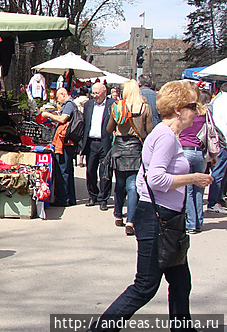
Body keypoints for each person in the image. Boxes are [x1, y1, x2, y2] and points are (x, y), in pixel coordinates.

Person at [89, 80, 214, 332]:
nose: (196, 110)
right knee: (145, 286)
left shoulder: (167, 134)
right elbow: (156, 179)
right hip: (157, 220)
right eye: (192, 105)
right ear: (179, 108)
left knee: (180, 283)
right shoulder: (165, 136)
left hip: (168, 220)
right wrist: (194, 179)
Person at [107, 80, 154, 236]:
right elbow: (149, 131)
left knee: (119, 183)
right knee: (133, 185)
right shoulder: (144, 108)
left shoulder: (118, 107)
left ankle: (118, 214)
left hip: (120, 146)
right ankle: (131, 221)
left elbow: (109, 128)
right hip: (135, 147)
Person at [178, 86, 214, 233]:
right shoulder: (204, 113)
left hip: (185, 151)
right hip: (200, 152)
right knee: (199, 188)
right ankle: (199, 221)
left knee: (188, 189)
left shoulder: (183, 113)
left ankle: (191, 223)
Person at [41, 87, 78, 206]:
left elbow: (63, 119)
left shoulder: (69, 105)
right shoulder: (70, 104)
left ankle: (63, 199)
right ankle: (70, 198)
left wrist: (48, 115)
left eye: (58, 98)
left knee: (63, 170)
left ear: (63, 94)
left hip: (65, 142)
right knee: (67, 170)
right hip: (68, 142)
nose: (58, 101)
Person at [80, 82, 115, 210]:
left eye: (97, 93)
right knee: (90, 171)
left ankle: (103, 198)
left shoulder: (112, 104)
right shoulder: (88, 105)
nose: (95, 96)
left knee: (105, 172)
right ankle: (92, 195)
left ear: (104, 92)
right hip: (91, 142)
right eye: (93, 93)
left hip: (105, 142)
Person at [207, 82, 227, 214]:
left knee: (219, 172)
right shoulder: (222, 102)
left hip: (219, 140)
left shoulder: (216, 101)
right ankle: (214, 201)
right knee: (219, 173)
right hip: (223, 140)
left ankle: (216, 200)